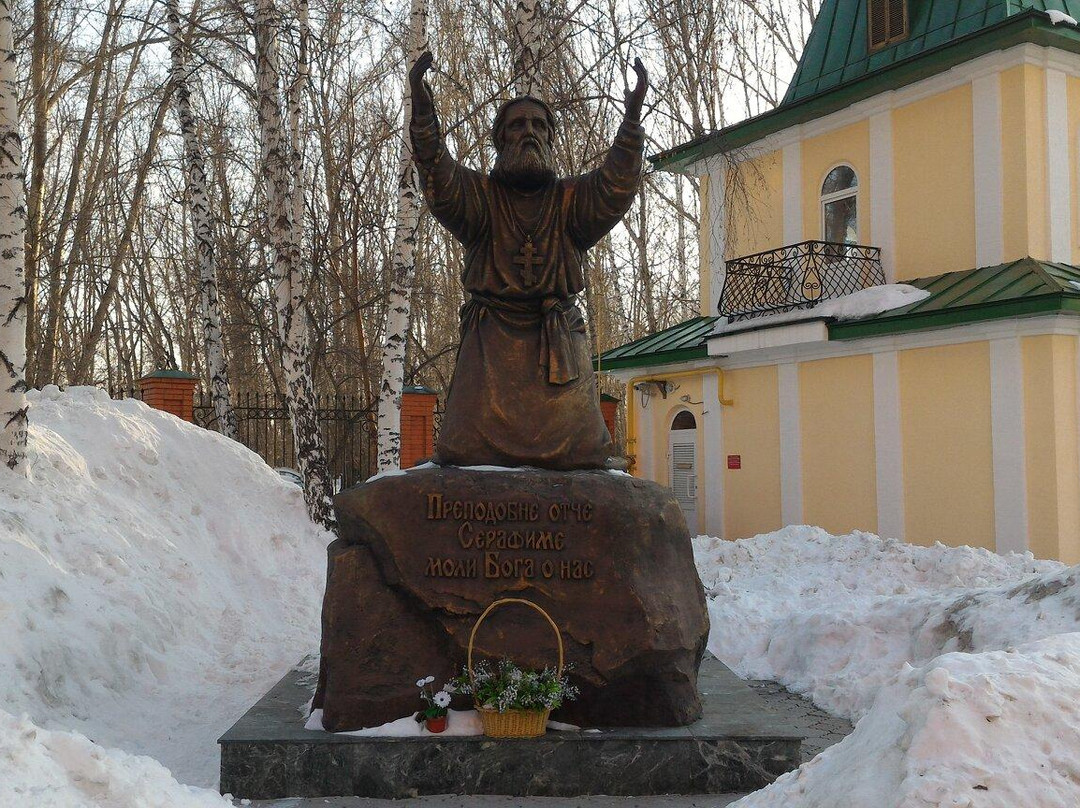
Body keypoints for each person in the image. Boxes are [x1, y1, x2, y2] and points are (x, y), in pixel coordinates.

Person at [409, 51, 648, 470]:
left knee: (586, 453)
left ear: (551, 139)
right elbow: (438, 173)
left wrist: (630, 124)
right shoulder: (479, 198)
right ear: (501, 140)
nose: (529, 132)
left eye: (539, 125)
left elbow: (616, 186)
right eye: (517, 125)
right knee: (462, 450)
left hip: (556, 339)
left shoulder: (571, 201)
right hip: (491, 345)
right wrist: (424, 114)